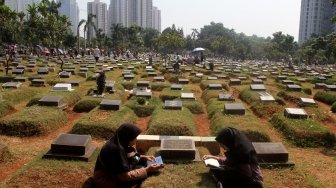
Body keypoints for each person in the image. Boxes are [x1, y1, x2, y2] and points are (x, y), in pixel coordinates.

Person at [93, 123, 163, 188]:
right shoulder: (116, 151)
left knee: (143, 164)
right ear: (127, 138)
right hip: (106, 180)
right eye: (134, 138)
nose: (136, 140)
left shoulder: (120, 142)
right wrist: (147, 170)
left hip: (116, 173)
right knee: (143, 171)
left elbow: (132, 158)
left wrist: (143, 158)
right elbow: (125, 177)